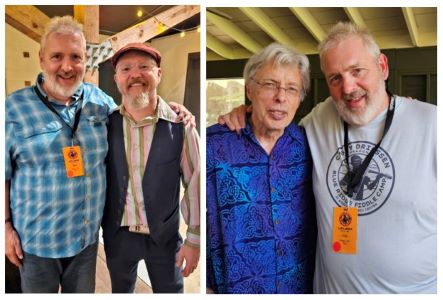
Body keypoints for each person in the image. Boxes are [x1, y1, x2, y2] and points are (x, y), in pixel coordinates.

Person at [219, 22, 436, 293]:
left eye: (357, 71)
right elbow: (275, 119)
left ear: (382, 67)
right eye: (335, 78)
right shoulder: (321, 119)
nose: (348, 87)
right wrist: (246, 112)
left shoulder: (432, 126)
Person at [5, 16, 193, 293]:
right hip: (35, 245)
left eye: (76, 57)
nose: (67, 66)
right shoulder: (13, 109)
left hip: (86, 244)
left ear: (85, 61)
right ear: (42, 59)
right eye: (57, 56)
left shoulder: (99, 102)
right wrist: (5, 227)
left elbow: (134, 110)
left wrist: (173, 110)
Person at [207, 43, 317, 294]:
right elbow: (197, 212)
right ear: (250, 89)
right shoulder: (214, 145)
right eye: (270, 85)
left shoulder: (312, 145)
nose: (281, 97)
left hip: (299, 288)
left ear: (299, 99)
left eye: (291, 89)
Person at [101, 43, 200, 293]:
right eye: (126, 69)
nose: (135, 74)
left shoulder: (181, 126)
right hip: (117, 236)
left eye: (144, 67)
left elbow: (195, 184)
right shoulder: (104, 124)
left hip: (165, 239)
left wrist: (194, 239)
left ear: (159, 74)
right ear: (117, 79)